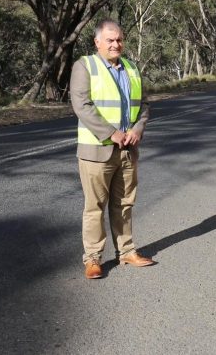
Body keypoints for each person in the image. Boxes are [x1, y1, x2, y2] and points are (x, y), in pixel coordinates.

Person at [70, 19, 155, 279]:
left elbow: (143, 105)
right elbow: (81, 105)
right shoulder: (85, 66)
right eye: (110, 40)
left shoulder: (131, 68)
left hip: (128, 150)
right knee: (94, 206)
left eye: (119, 39)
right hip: (97, 151)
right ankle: (93, 258)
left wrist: (136, 130)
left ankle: (126, 251)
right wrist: (112, 133)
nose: (116, 44)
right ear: (97, 42)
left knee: (125, 204)